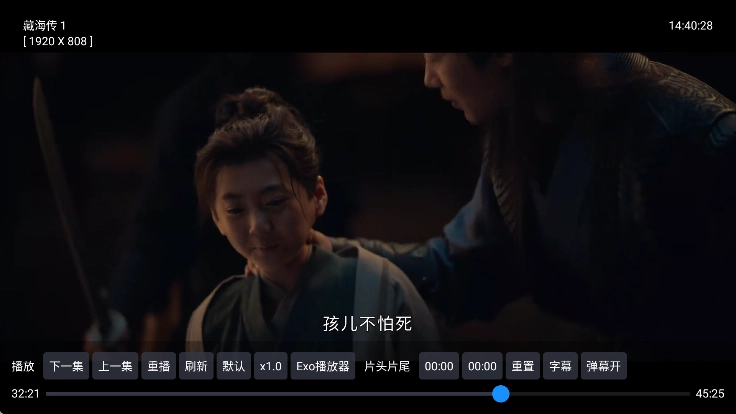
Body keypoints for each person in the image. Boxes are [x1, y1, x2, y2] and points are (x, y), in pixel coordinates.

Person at [250, 53, 736, 359]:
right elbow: (462, 267)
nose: (428, 77)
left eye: (437, 54)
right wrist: (326, 254)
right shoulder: (519, 124)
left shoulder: (693, 137)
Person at [185, 87, 439, 359]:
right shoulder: (211, 321)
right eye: (235, 210)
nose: (257, 226)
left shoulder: (379, 293)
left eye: (274, 202)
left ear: (317, 196)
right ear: (217, 218)